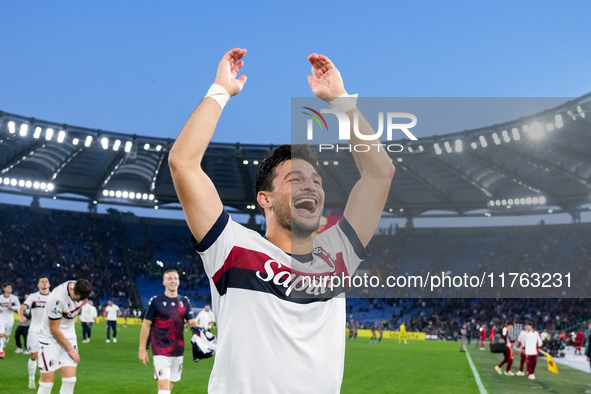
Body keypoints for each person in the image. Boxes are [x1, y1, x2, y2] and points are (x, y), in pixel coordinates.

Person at [169, 48, 394, 392]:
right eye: (295, 179)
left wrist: (341, 101)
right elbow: (183, 162)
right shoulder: (232, 247)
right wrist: (219, 91)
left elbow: (380, 174)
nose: (312, 186)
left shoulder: (338, 251)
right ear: (266, 199)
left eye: (316, 181)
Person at [138, 269, 198, 394]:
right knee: (163, 385)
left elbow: (192, 322)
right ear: (163, 282)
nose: (173, 281)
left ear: (179, 282)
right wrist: (142, 349)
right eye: (170, 278)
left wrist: (199, 335)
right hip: (160, 349)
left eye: (176, 278)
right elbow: (146, 325)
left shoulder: (185, 301)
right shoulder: (156, 301)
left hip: (178, 350)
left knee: (169, 384)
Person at [37, 279, 92, 394]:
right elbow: (54, 329)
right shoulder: (56, 299)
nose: (77, 302)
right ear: (72, 289)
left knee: (70, 380)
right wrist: (70, 349)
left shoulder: (80, 289)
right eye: (75, 298)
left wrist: (70, 346)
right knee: (47, 383)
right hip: (50, 338)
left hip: (69, 337)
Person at [19, 277, 51, 389]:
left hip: (49, 332)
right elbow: (23, 307)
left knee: (47, 357)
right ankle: (31, 378)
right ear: (38, 285)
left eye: (46, 281)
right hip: (34, 330)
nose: (44, 282)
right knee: (34, 356)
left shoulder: (53, 297)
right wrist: (21, 315)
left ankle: (43, 378)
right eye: (42, 281)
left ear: (49, 284)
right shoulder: (33, 297)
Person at [0, 282, 21, 359]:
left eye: (11, 288)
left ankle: (3, 346)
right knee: (1, 334)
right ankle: (1, 350)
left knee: (6, 337)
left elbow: (19, 306)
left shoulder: (14, 298)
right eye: (8, 287)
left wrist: (11, 307)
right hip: (1, 318)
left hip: (10, 319)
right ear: (4, 289)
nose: (10, 289)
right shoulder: (0, 298)